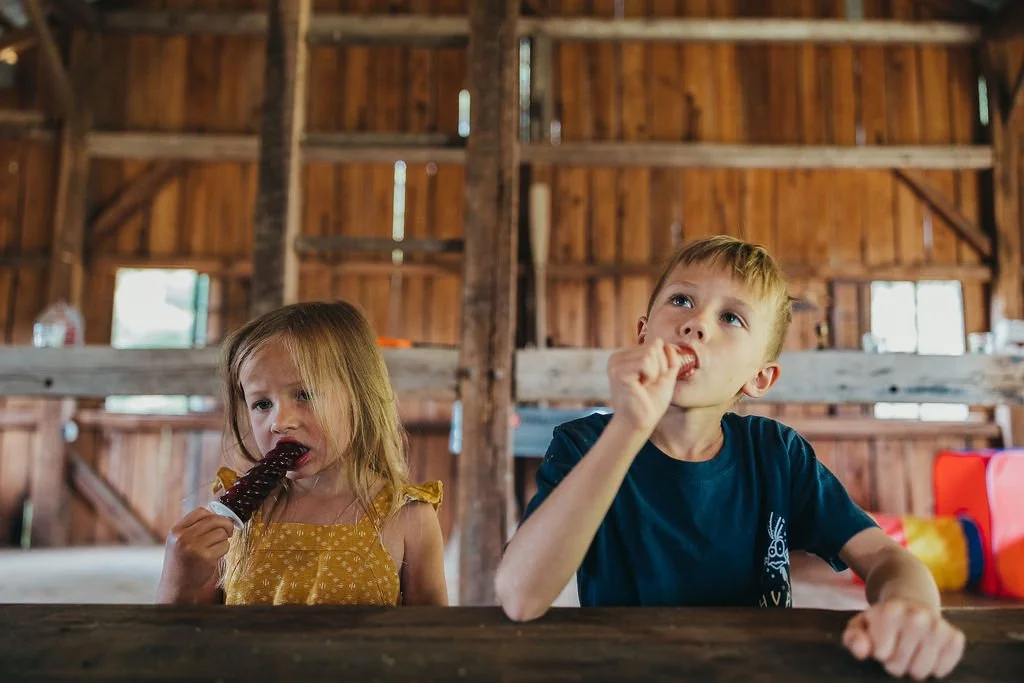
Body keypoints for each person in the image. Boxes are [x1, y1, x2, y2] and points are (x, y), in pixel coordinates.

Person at [496, 235, 965, 680]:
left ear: (759, 378)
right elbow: (520, 596)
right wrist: (629, 425)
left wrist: (912, 609)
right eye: (682, 300)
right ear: (643, 334)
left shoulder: (777, 455)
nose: (696, 323)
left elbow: (884, 557)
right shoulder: (585, 444)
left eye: (732, 318)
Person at [156, 300, 448, 607]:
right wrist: (178, 579)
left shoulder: (408, 518)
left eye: (304, 395)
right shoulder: (230, 517)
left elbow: (432, 640)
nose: (280, 423)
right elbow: (185, 638)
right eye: (262, 404)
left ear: (359, 396)